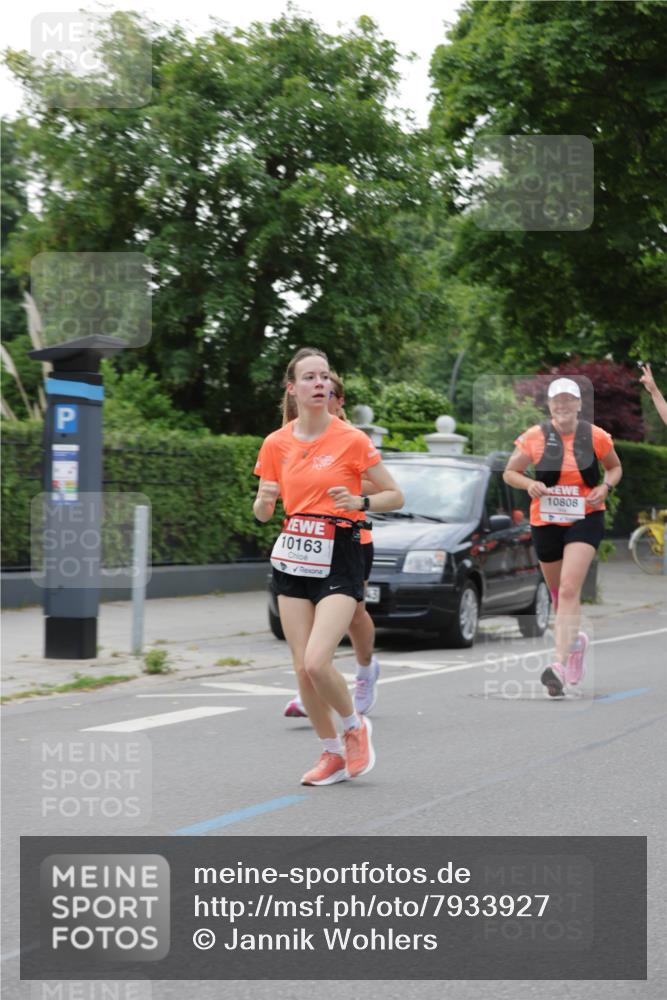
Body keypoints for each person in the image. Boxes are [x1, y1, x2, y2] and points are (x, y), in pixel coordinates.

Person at [253, 348, 404, 785]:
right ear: (293, 388)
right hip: (294, 553)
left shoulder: (351, 439)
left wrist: (360, 501)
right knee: (301, 668)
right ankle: (331, 753)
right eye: (309, 377)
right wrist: (263, 502)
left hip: (341, 550)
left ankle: (355, 728)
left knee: (319, 661)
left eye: (324, 377)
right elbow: (264, 510)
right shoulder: (275, 443)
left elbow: (396, 495)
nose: (319, 383)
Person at [503, 377, 623, 697]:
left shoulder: (595, 436)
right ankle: (576, 644)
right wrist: (527, 484)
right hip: (546, 520)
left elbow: (614, 468)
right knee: (558, 594)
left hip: (586, 517)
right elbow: (510, 472)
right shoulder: (535, 437)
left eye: (570, 400)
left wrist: (605, 487)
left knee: (570, 589)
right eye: (558, 401)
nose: (563, 405)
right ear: (550, 406)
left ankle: (557, 663)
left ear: (580, 404)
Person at [281, 371, 380, 719]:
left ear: (340, 401)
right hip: (304, 543)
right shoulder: (291, 438)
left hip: (350, 539)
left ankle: (366, 670)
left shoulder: (351, 439)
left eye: (333, 392)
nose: (326, 395)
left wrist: (347, 492)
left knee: (354, 615)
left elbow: (377, 485)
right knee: (309, 626)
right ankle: (309, 683)